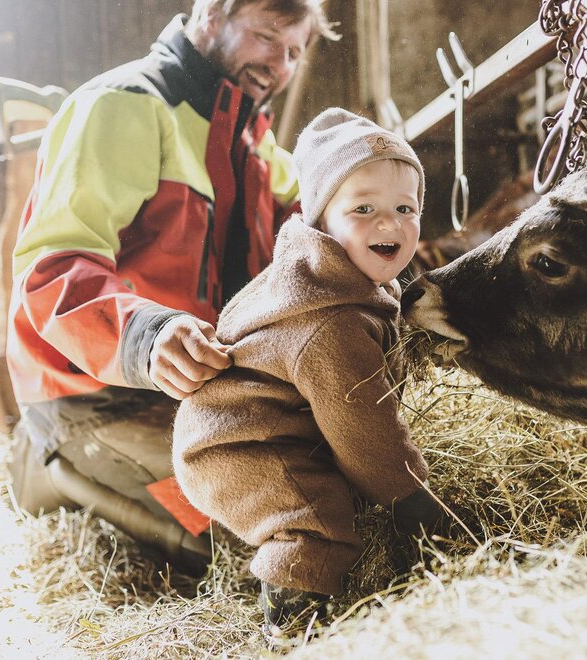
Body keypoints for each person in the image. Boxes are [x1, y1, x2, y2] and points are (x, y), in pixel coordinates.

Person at [6, 0, 338, 570]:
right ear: (211, 15)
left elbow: (321, 221)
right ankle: (47, 462)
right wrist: (148, 336)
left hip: (199, 393)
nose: (279, 65)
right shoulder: (121, 105)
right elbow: (53, 269)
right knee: (243, 545)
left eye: (293, 51)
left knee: (334, 501)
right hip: (97, 398)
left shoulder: (254, 144)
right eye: (266, 37)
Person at [172, 108, 443, 632]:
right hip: (241, 444)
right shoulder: (330, 323)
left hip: (273, 427)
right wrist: (410, 495)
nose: (389, 223)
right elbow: (364, 429)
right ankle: (292, 627)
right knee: (314, 522)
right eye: (363, 208)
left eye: (405, 208)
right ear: (321, 220)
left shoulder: (343, 278)